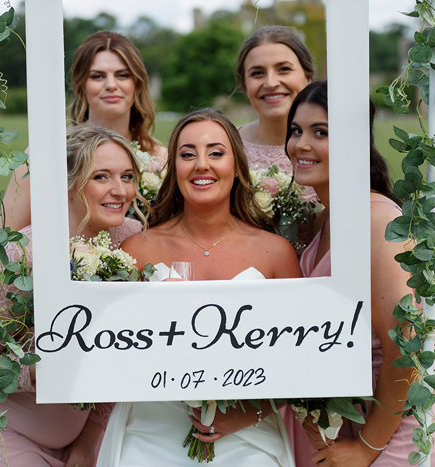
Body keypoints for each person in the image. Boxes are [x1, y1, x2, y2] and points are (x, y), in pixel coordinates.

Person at [0, 126, 147, 466]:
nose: (120, 190)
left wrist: (88, 440)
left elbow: (125, 351)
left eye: (127, 176)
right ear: (69, 184)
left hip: (70, 430)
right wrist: (36, 372)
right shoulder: (19, 253)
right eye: (101, 176)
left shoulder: (131, 239)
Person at [283, 81, 435, 466]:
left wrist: (366, 448)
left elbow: (404, 347)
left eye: (321, 132)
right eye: (296, 130)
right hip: (369, 410)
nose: (301, 144)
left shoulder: (377, 222)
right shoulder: (324, 220)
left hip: (412, 416)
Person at [95, 109, 301, 466]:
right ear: (174, 168)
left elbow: (303, 359)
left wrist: (247, 413)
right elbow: (108, 352)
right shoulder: (137, 251)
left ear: (237, 166)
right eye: (187, 154)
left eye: (216, 153)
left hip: (247, 433)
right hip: (150, 427)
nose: (201, 164)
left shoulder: (275, 253)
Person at [2, 30, 166, 232]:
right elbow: (6, 237)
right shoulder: (46, 153)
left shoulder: (160, 158)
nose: (111, 85)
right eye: (97, 76)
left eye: (122, 75)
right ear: (81, 84)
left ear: (137, 83)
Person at [235, 26, 313, 177]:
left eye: (284, 69)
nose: (270, 83)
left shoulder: (335, 145)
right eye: (257, 73)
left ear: (308, 78)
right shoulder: (226, 147)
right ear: (245, 85)